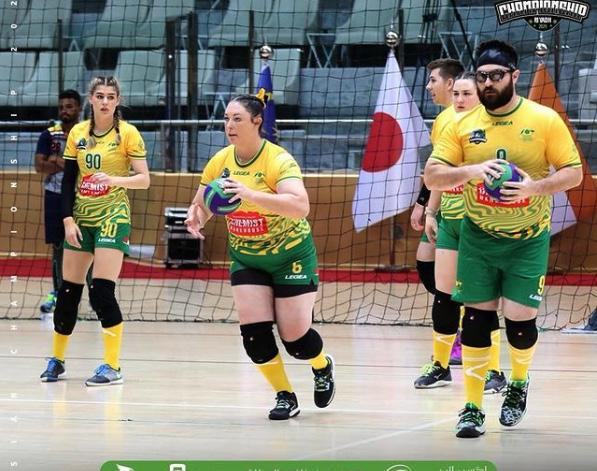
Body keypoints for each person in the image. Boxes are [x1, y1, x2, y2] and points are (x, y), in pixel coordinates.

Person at [424, 40, 583, 438]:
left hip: (527, 239)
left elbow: (574, 172)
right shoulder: (462, 124)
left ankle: (519, 382)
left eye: (496, 75)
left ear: (514, 75)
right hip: (478, 237)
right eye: (482, 76)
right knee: (476, 319)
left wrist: (534, 188)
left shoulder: (542, 119)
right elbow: (432, 175)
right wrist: (472, 170)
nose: (488, 83)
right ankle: (472, 407)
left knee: (519, 321)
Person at [185, 90, 335, 420]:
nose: (229, 125)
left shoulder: (278, 160)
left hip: (291, 256)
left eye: (237, 119)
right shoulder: (220, 161)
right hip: (247, 257)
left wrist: (250, 194)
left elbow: (300, 206)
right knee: (254, 335)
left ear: (257, 121)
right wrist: (196, 217)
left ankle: (321, 365)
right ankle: (285, 396)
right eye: (226, 119)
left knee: (296, 340)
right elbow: (202, 203)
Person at [40, 76, 150, 386]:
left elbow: (144, 179)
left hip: (113, 216)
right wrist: (68, 219)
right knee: (68, 293)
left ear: (117, 101)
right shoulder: (78, 133)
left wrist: (115, 180)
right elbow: (68, 180)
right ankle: (57, 360)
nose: (104, 101)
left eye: (110, 96)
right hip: (81, 217)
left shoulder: (128, 134)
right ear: (91, 99)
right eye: (99, 96)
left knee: (101, 291)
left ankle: (112, 366)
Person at [414, 72, 507, 394]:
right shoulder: (447, 123)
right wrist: (431, 212)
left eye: (467, 94)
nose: (459, 99)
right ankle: (440, 366)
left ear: (480, 97)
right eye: (456, 94)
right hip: (450, 219)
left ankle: (494, 371)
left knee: (480, 299)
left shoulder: (492, 129)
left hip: (479, 221)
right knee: (444, 295)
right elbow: (438, 175)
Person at [410, 58, 465, 365]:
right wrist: (424, 205)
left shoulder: (468, 119)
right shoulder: (442, 120)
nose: (428, 86)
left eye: (433, 80)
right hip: (442, 203)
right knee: (425, 264)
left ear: (450, 83)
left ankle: (462, 338)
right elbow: (437, 169)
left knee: (456, 278)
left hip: (464, 207)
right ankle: (455, 327)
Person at [35, 90, 84, 315]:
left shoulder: (86, 133)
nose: (65, 111)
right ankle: (57, 292)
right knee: (57, 246)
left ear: (79, 109)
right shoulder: (49, 134)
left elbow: (85, 167)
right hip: (54, 195)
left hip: (81, 196)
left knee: (84, 245)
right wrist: (67, 163)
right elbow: (39, 166)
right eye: (62, 107)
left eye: (70, 106)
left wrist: (56, 160)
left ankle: (89, 295)